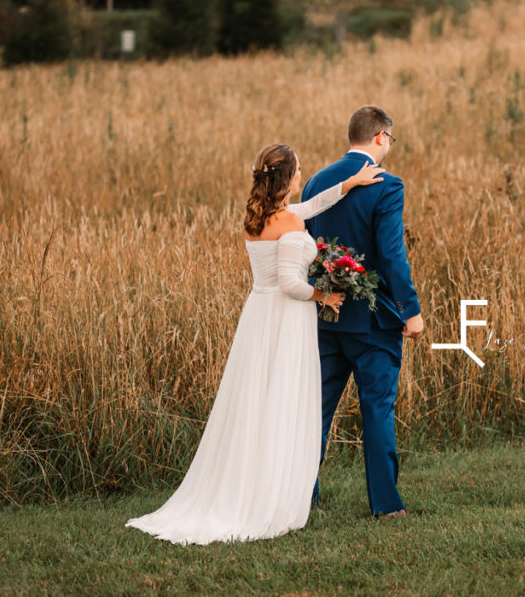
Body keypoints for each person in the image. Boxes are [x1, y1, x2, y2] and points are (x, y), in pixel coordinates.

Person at [125, 143, 383, 545]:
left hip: (259, 317)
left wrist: (349, 183)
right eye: (298, 171)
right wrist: (325, 297)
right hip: (285, 319)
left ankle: (256, 483)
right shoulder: (289, 225)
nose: (302, 175)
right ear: (287, 177)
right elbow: (291, 284)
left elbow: (312, 205)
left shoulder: (261, 218)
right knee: (280, 400)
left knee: (256, 403)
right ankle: (269, 495)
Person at [302, 105, 424, 519]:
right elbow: (392, 255)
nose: (389, 146)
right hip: (372, 322)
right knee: (376, 408)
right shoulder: (387, 186)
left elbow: (305, 248)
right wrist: (411, 311)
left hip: (324, 317)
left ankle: (301, 498)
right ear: (379, 137)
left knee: (315, 411)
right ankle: (386, 507)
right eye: (390, 139)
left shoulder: (316, 181)